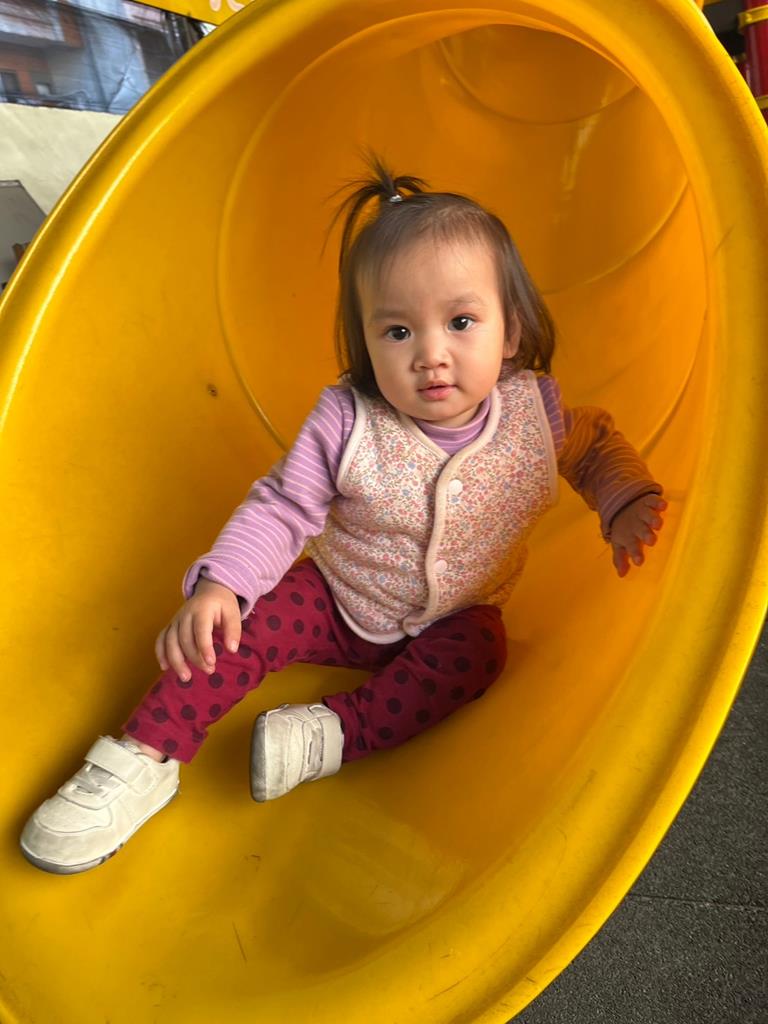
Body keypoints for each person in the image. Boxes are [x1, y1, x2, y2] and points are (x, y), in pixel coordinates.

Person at [20, 158, 666, 874]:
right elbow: (283, 506)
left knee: (481, 656)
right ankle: (142, 756)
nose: (431, 355)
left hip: (459, 613)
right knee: (232, 631)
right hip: (335, 598)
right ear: (365, 341)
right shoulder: (348, 421)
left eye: (460, 322)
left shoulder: (532, 416)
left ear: (510, 333)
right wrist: (223, 585)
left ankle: (331, 733)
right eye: (398, 332)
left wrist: (625, 500)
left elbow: (593, 447)